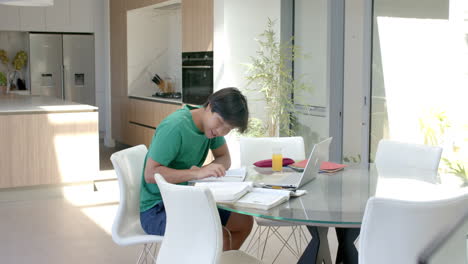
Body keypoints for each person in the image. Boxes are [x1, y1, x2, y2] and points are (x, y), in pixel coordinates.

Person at [139, 87, 253, 251]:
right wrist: (196, 173)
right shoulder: (175, 127)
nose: (221, 131)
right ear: (210, 106)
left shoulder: (211, 129)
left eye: (227, 129)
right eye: (220, 122)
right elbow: (150, 174)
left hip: (189, 199)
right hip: (158, 208)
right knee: (215, 235)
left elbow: (224, 158)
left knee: (244, 221)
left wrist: (207, 170)